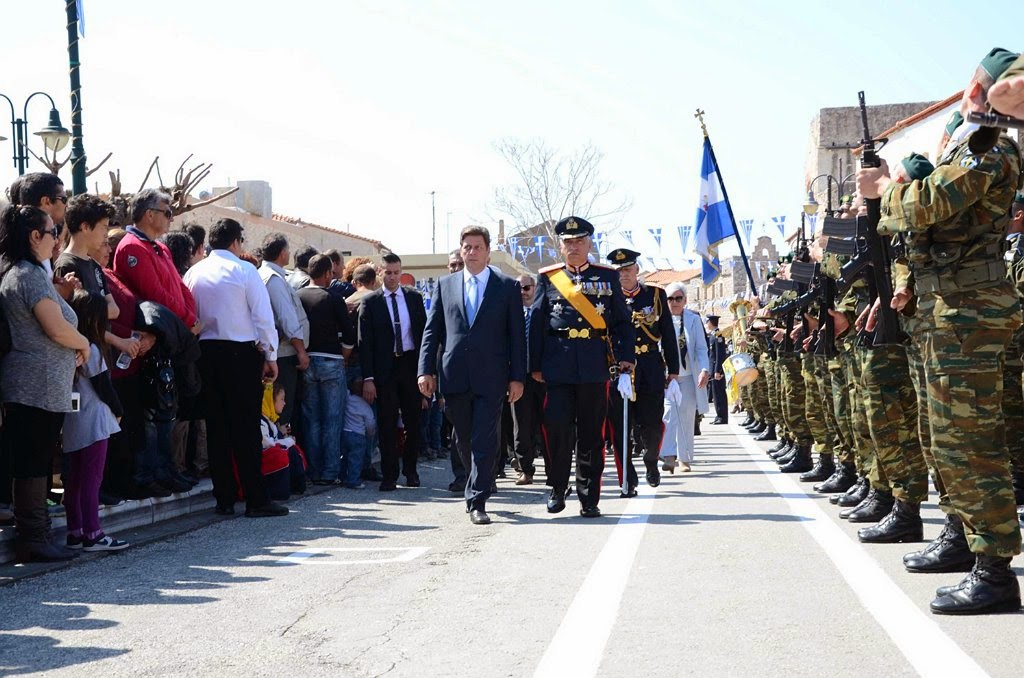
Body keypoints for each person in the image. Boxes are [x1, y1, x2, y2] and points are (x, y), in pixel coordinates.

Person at [856, 47, 1022, 615]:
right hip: (943, 307)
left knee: (972, 443)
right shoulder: (969, 146)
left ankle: (995, 569)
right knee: (942, 437)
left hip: (970, 311)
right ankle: (962, 535)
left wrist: (885, 191)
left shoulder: (992, 150)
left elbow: (923, 208)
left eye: (982, 86)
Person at [418, 226, 525, 525]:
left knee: (483, 436)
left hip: (492, 377)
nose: (472, 252)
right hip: (455, 376)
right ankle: (483, 477)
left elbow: (517, 337)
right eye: (467, 247)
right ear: (461, 250)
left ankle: (476, 499)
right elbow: (432, 331)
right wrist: (425, 370)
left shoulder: (506, 286)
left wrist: (517, 377)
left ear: (488, 251)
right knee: (463, 436)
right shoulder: (445, 284)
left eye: (478, 247)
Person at [0, 205, 90, 562]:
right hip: (33, 384)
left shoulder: (31, 273)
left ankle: (35, 535)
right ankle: (33, 537)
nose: (58, 239)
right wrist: (83, 343)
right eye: (54, 232)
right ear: (35, 236)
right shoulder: (27, 275)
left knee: (35, 459)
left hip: (42, 384)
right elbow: (54, 327)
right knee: (32, 460)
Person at [529, 216, 634, 518]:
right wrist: (534, 364)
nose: (573, 247)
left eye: (579, 241)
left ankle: (589, 497)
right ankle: (558, 488)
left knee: (591, 434)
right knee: (558, 430)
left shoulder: (608, 276)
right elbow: (537, 324)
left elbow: (622, 323)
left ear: (589, 243)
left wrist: (627, 357)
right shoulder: (548, 278)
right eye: (567, 242)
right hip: (557, 364)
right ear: (560, 246)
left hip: (593, 364)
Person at [184, 218, 288, 518]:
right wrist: (270, 354)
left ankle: (224, 498)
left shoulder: (194, 272)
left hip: (207, 353)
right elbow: (262, 315)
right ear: (236, 242)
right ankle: (256, 498)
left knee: (217, 429)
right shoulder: (244, 271)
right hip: (241, 353)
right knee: (245, 429)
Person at [605, 248, 679, 494]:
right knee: (621, 426)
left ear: (637, 269)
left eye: (627, 269)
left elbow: (668, 334)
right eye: (618, 271)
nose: (623, 275)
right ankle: (628, 476)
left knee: (652, 423)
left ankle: (650, 459)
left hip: (649, 366)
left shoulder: (655, 296)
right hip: (619, 369)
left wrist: (674, 371)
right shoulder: (608, 298)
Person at [62, 290, 129, 552]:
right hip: (94, 420)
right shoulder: (90, 347)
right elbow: (104, 386)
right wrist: (119, 410)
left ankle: (75, 531)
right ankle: (93, 532)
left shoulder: (69, 344)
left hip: (72, 421)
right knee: (92, 479)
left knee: (74, 479)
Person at [358, 252, 427, 491]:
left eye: (396, 273)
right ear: (380, 272)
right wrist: (368, 378)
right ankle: (389, 474)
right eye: (388, 273)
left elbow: (424, 337)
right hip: (385, 369)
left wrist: (427, 371)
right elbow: (364, 344)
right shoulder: (371, 302)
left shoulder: (414, 298)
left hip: (410, 365)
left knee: (413, 421)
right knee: (387, 423)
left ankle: (411, 470)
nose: (393, 277)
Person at [297, 254, 356, 484]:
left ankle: (313, 469)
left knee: (311, 419)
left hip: (306, 360)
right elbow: (349, 334)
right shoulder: (333, 298)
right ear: (326, 274)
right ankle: (330, 471)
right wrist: (344, 356)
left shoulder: (298, 296)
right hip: (331, 360)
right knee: (332, 419)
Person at [113, 189, 198, 331]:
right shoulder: (132, 247)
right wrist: (188, 319)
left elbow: (181, 287)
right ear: (150, 215)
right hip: (156, 332)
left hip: (174, 327)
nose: (171, 219)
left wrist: (190, 319)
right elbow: (155, 294)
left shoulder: (160, 247)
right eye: (167, 213)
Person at [259, 233, 311, 429]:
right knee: (280, 409)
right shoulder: (274, 280)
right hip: (282, 355)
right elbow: (287, 319)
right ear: (282, 253)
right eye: (287, 249)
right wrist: (301, 351)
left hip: (274, 353)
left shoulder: (265, 274)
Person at [660, 284, 710, 473]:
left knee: (687, 416)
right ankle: (668, 455)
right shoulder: (659, 319)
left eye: (678, 298)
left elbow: (701, 348)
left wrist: (704, 369)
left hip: (688, 375)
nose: (674, 302)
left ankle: (685, 458)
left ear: (685, 300)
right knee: (667, 415)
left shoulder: (693, 320)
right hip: (667, 376)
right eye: (670, 299)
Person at [510, 273, 546, 485]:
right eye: (519, 289)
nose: (523, 293)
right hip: (519, 377)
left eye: (527, 288)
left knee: (548, 423)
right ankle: (526, 469)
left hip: (542, 377)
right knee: (521, 425)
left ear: (534, 288)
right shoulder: (511, 314)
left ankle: (553, 467)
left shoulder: (544, 312)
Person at [342, 378, 376, 489]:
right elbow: (370, 425)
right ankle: (353, 480)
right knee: (356, 459)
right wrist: (371, 434)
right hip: (358, 435)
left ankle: (342, 476)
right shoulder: (366, 407)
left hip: (345, 433)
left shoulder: (347, 398)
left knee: (344, 457)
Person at [706, 314, 729, 424]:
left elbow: (720, 354)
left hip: (717, 369)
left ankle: (722, 416)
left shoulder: (718, 335)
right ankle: (719, 414)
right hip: (713, 369)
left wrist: (717, 370)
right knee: (715, 393)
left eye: (708, 322)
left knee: (719, 393)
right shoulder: (713, 335)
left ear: (710, 322)